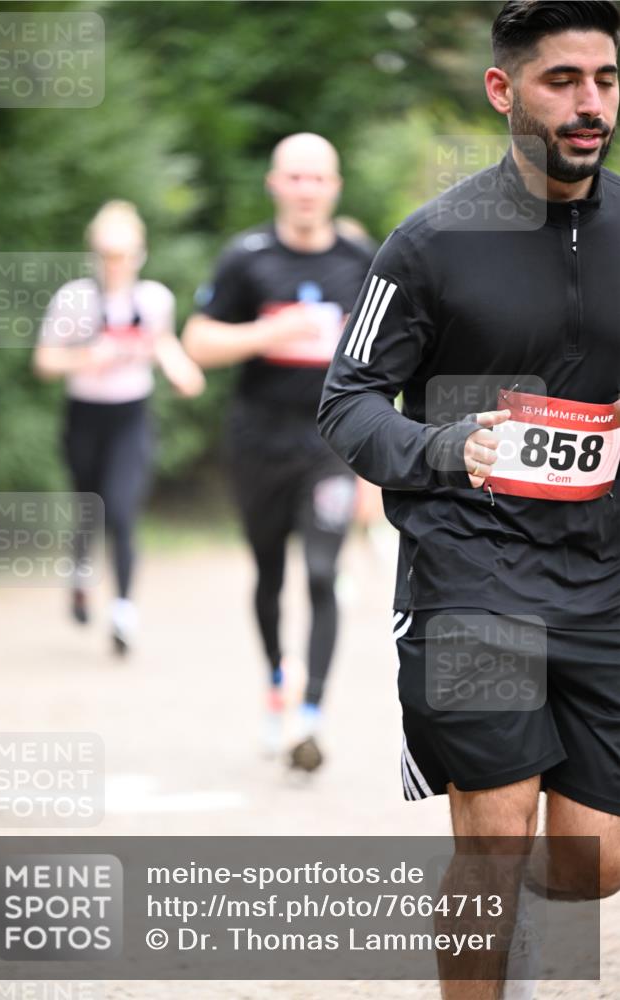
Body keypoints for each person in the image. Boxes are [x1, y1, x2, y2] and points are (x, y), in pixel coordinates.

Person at [319, 2, 619, 997]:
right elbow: (347, 403)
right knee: (491, 847)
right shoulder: (429, 243)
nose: (588, 104)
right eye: (561, 81)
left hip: (601, 575)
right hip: (469, 569)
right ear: (502, 90)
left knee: (590, 865)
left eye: (604, 81)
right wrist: (446, 445)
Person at [182, 133, 374, 770]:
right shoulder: (247, 258)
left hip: (330, 446)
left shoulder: (361, 259)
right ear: (274, 184)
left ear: (334, 186)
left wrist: (382, 461)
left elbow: (387, 358)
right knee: (269, 574)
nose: (306, 189)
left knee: (321, 574)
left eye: (317, 178)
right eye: (294, 177)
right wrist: (271, 330)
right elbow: (198, 342)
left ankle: (311, 713)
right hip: (258, 441)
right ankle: (275, 684)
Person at [33, 200, 204, 654]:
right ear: (94, 254)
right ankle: (79, 573)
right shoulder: (73, 299)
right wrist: (84, 358)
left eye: (125, 253)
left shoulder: (154, 300)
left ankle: (124, 610)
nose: (116, 263)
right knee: (88, 507)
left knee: (123, 511)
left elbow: (163, 342)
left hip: (131, 415)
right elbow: (45, 360)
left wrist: (181, 369)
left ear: (140, 253)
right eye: (108, 253)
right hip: (85, 416)